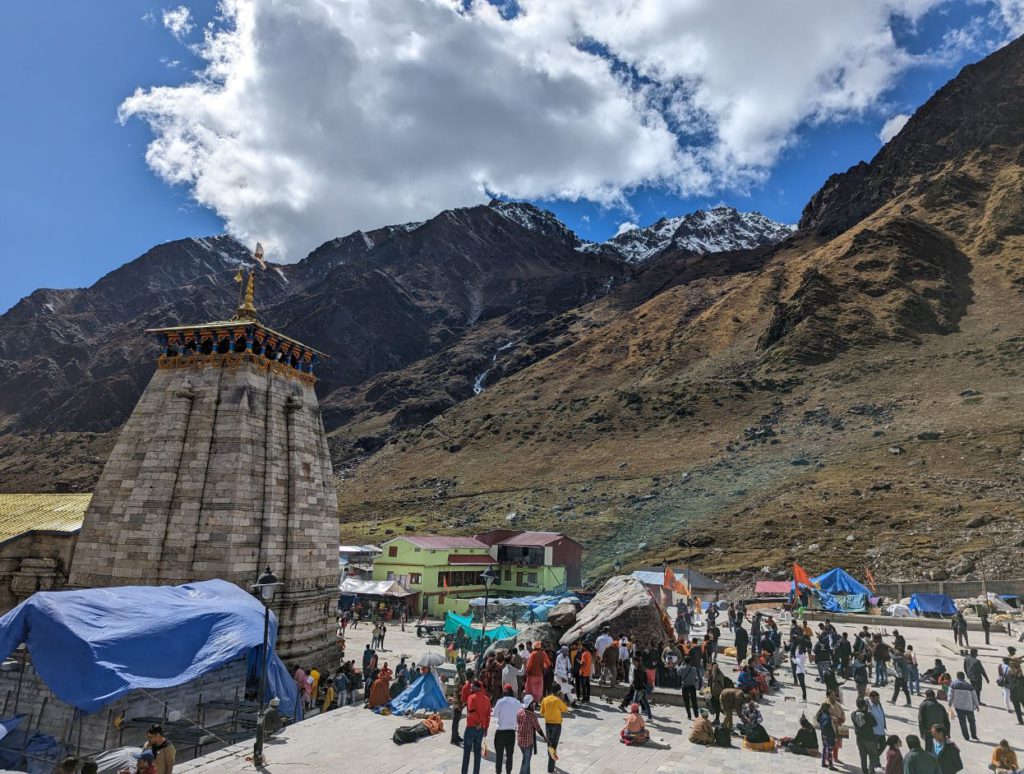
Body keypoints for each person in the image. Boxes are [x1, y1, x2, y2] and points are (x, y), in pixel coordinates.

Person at [462, 681, 491, 774]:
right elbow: (488, 716)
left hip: (471, 727)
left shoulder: (471, 697)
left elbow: (471, 711)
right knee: (477, 753)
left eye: (471, 687)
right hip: (481, 729)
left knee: (466, 753)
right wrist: (485, 728)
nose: (470, 688)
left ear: (475, 688)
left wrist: (478, 722)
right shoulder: (487, 699)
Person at [539, 685, 568, 773]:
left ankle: (552, 760)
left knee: (550, 744)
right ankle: (550, 768)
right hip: (556, 725)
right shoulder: (558, 700)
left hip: (548, 724)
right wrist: (563, 700)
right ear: (558, 691)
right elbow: (565, 710)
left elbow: (541, 713)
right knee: (553, 746)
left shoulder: (545, 699)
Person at [492, 684, 520, 774]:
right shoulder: (517, 702)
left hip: (500, 732)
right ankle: (508, 772)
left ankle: (498, 772)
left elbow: (494, 714)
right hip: (511, 732)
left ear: (504, 692)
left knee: (499, 755)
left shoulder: (500, 701)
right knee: (509, 755)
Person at [516, 694, 546, 774]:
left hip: (520, 741)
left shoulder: (519, 712)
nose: (534, 704)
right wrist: (544, 736)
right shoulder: (532, 715)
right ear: (530, 704)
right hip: (527, 743)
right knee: (525, 762)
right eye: (533, 703)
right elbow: (538, 728)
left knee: (526, 760)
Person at [947, 671, 979, 741]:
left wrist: (949, 703)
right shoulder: (969, 685)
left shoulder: (953, 684)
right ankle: (974, 736)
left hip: (958, 707)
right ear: (964, 677)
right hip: (969, 707)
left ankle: (966, 737)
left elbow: (950, 695)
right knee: (972, 722)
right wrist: (977, 705)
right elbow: (974, 696)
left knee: (962, 722)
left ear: (957, 676)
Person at [676, 656, 700, 720]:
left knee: (686, 702)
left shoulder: (682, 668)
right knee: (694, 702)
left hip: (685, 687)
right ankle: (696, 715)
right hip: (692, 687)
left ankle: (689, 715)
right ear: (690, 661)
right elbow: (696, 678)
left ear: (684, 661)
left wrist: (681, 664)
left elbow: (677, 672)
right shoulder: (693, 668)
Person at [818, 701, 837, 770]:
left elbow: (818, 720)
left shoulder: (821, 714)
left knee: (824, 748)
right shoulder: (827, 717)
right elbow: (826, 725)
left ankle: (823, 762)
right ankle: (830, 764)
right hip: (828, 735)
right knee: (829, 749)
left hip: (823, 734)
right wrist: (826, 734)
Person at [868, 691, 887, 763]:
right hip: (874, 731)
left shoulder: (879, 704)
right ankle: (875, 762)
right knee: (875, 748)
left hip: (881, 730)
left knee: (883, 745)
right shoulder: (868, 705)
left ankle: (875, 759)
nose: (878, 700)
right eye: (876, 698)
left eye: (878, 698)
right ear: (871, 698)